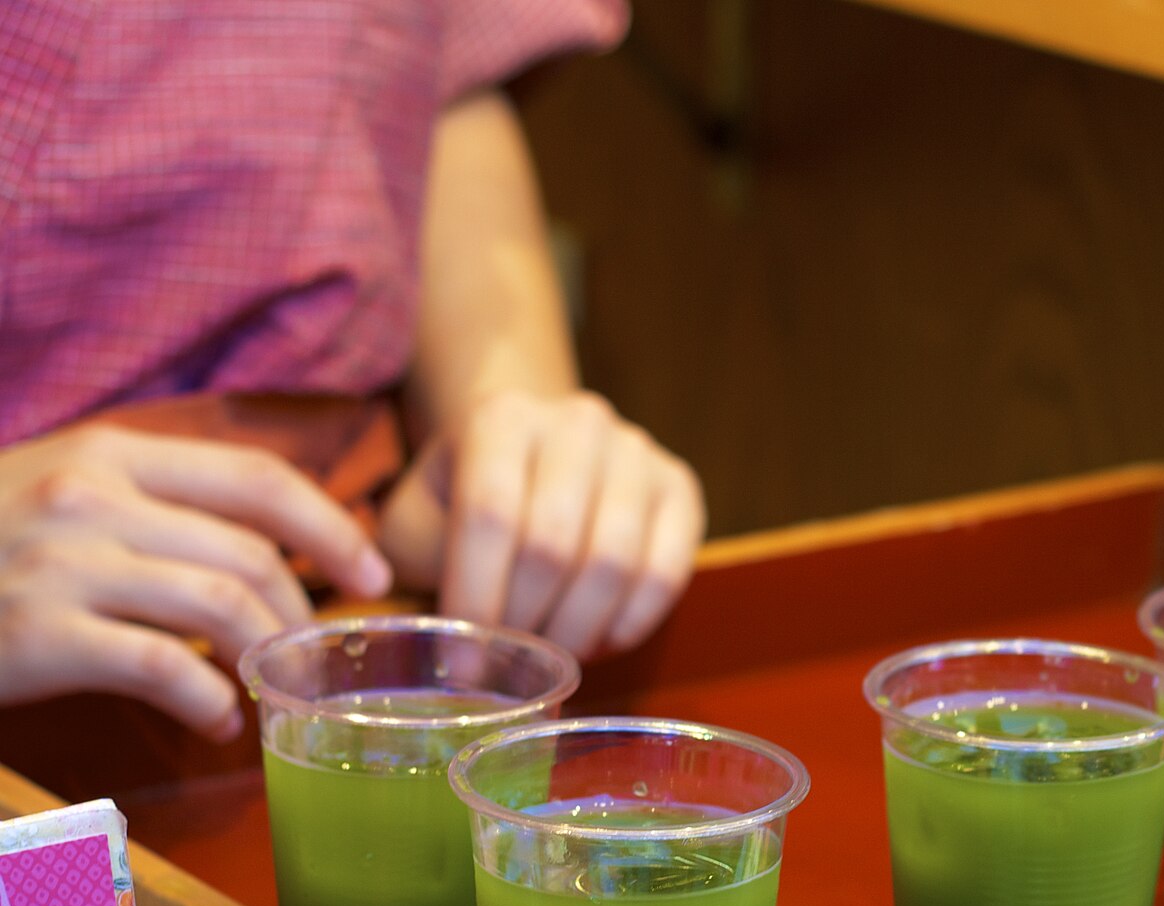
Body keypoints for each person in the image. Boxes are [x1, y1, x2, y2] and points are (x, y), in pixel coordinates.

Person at [0, 1, 702, 742]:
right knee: (86, 863)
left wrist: (512, 423)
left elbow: (433, 70)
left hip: (349, 622)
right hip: (36, 688)